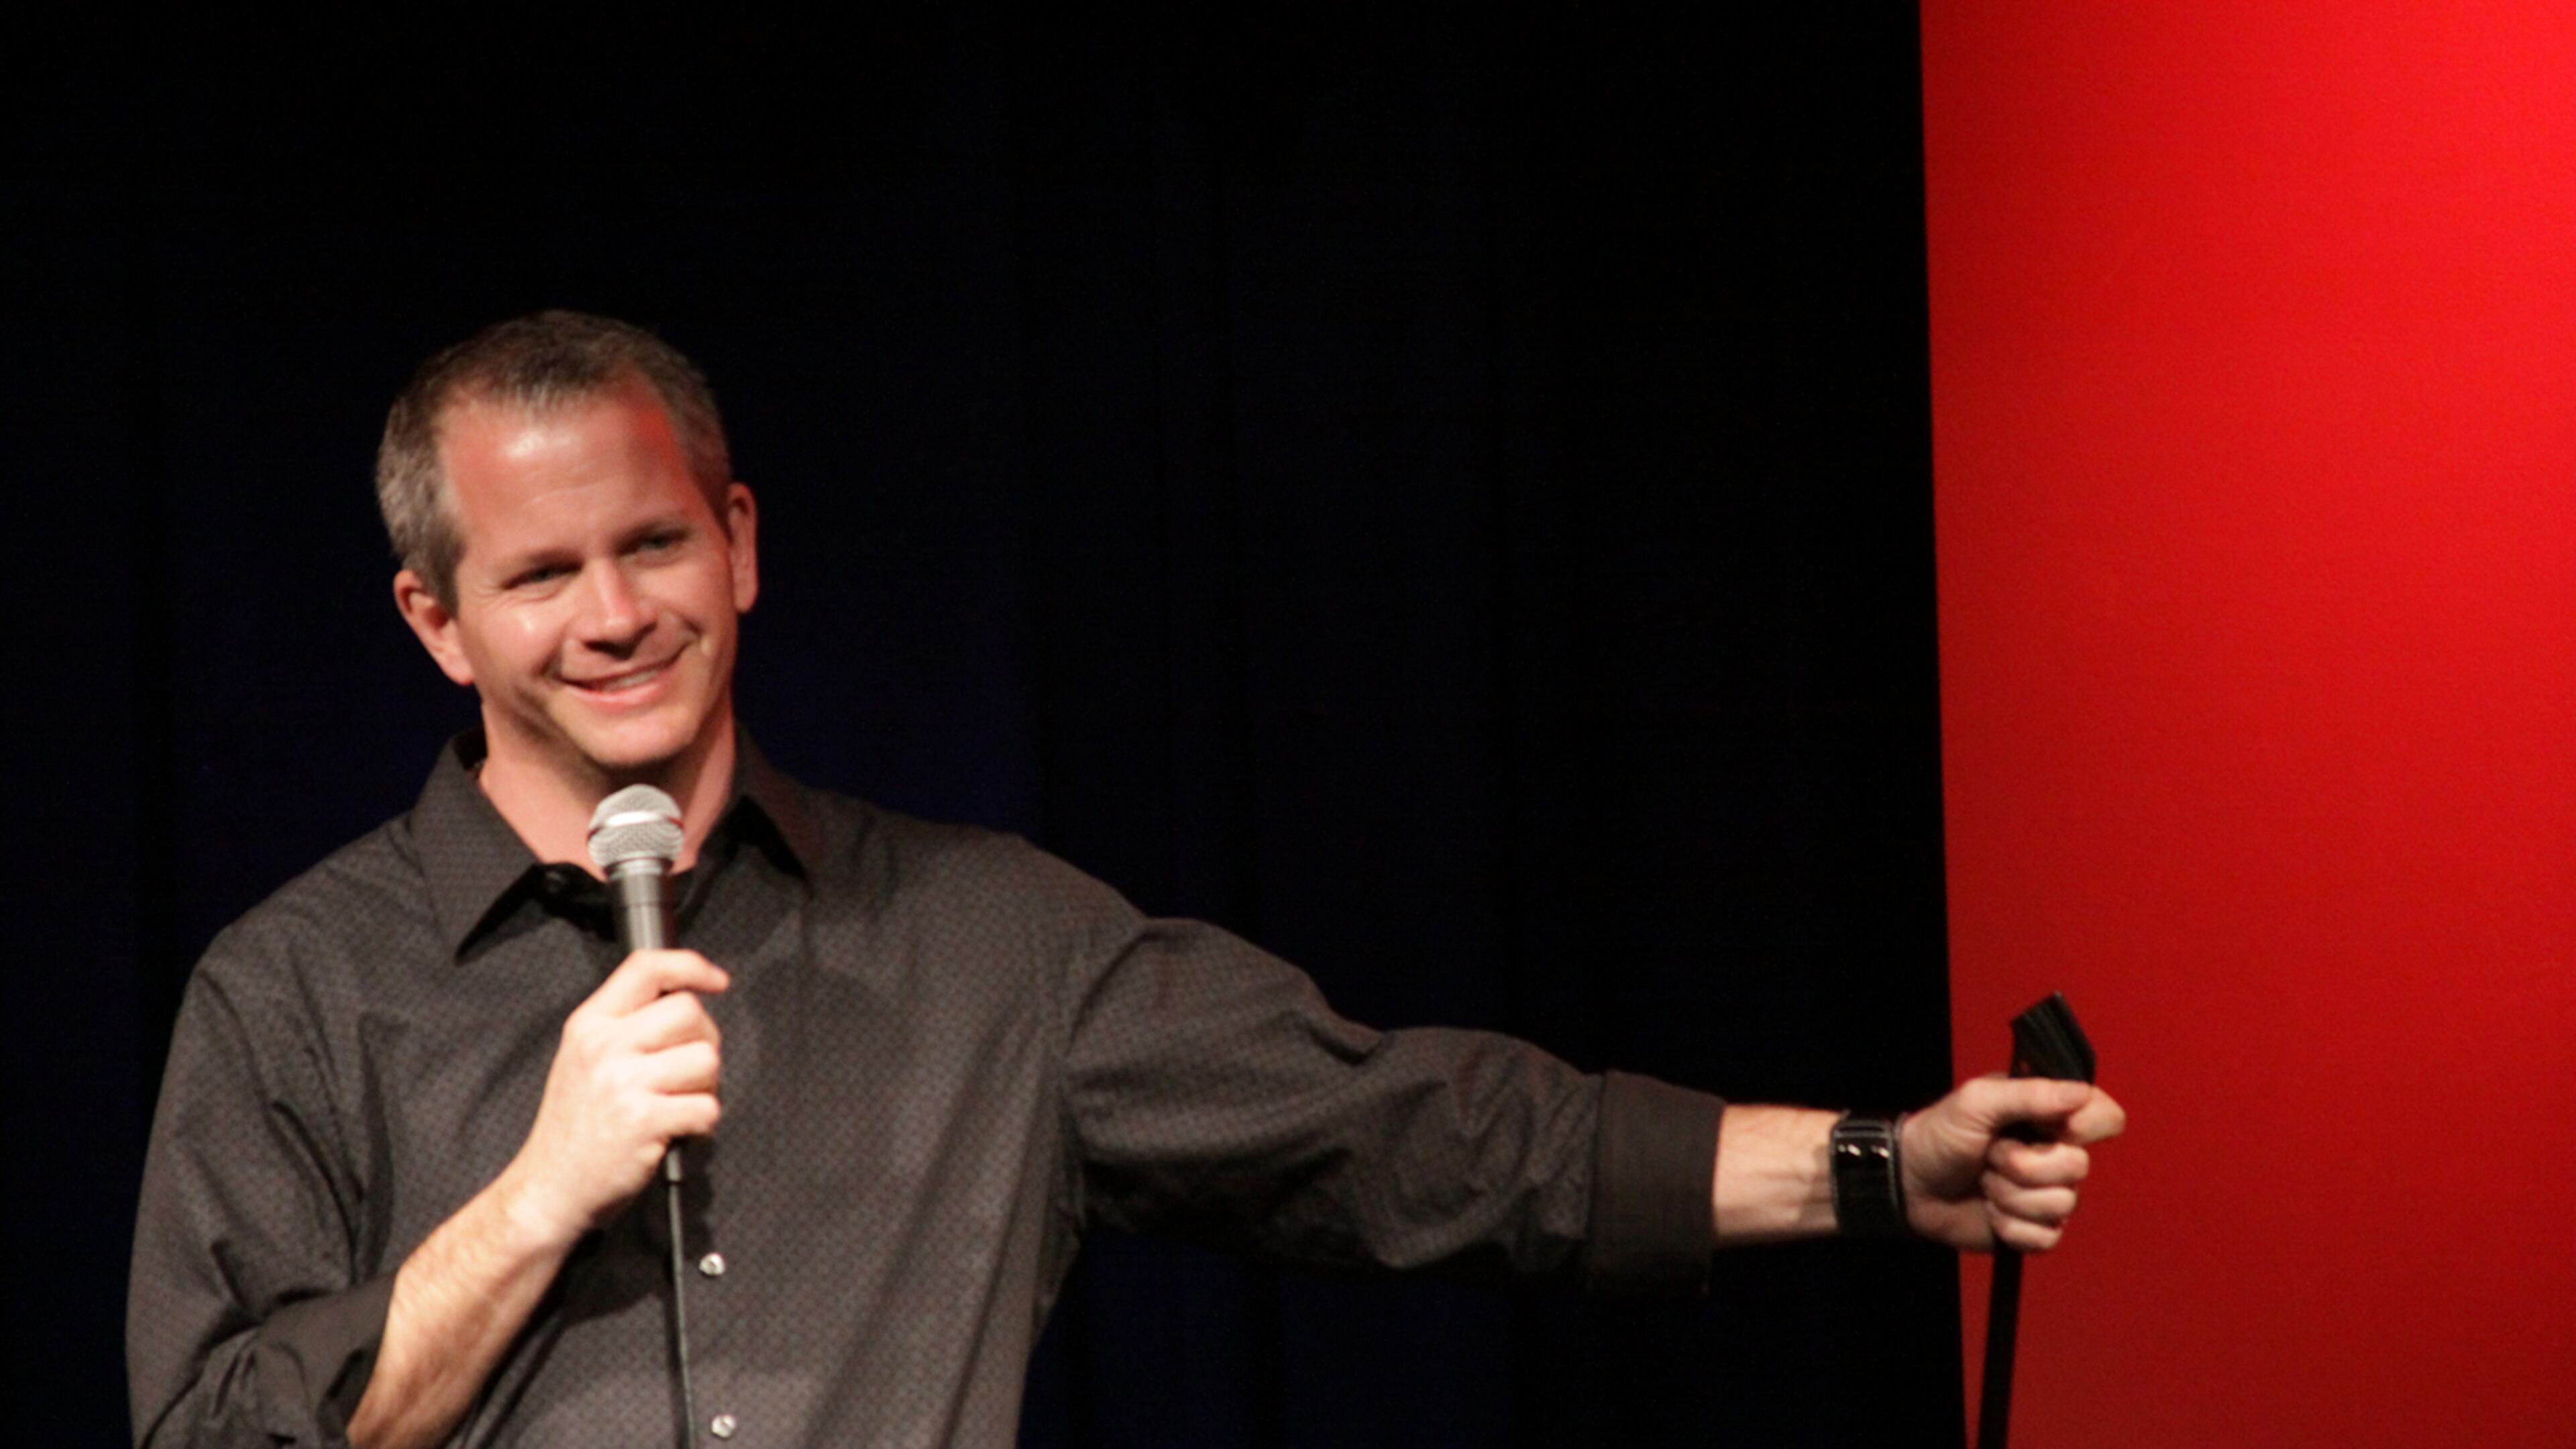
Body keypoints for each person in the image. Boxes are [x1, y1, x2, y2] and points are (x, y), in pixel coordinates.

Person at [127, 311, 2125, 1448]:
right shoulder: (299, 994)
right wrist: (537, 1195)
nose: (616, 613)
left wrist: (1873, 1170)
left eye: (650, 545)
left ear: (738, 543)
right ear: (436, 623)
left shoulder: (991, 943)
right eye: (542, 576)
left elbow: (1410, 1134)